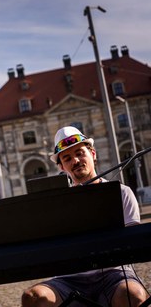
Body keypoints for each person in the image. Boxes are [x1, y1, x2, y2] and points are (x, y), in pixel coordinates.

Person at [21, 126, 149, 307]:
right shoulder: (55, 203)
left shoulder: (122, 192)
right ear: (61, 167)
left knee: (132, 295)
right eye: (67, 158)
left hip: (114, 276)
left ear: (93, 154)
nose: (75, 160)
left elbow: (134, 243)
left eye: (80, 153)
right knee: (32, 297)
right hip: (67, 279)